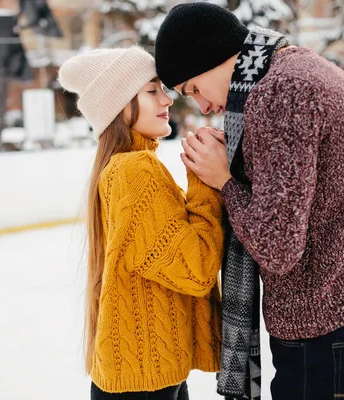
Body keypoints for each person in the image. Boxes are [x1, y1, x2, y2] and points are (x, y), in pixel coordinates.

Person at [155, 4, 344, 400]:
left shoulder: (280, 93)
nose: (203, 106)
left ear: (211, 56)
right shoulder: (300, 70)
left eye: (193, 88)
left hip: (322, 329)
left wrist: (224, 180)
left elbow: (278, 248)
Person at [58, 46, 224, 400]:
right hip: (145, 380)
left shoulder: (122, 166)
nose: (167, 100)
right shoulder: (135, 170)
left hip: (146, 371)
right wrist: (205, 183)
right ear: (118, 105)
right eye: (152, 91)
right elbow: (196, 269)